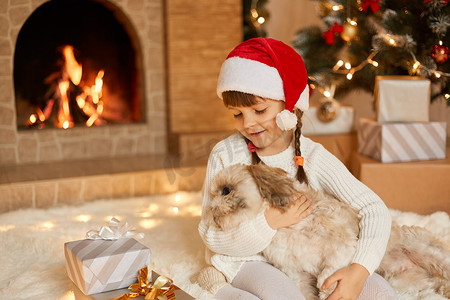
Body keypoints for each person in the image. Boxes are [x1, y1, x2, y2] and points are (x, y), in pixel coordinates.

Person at [197, 37, 397, 300]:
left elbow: (373, 209)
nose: (248, 123)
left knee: (381, 293)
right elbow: (210, 235)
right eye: (237, 114)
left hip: (305, 260)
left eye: (259, 110)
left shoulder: (312, 156)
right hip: (249, 259)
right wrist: (270, 223)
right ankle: (218, 287)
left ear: (288, 105)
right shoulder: (226, 154)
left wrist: (359, 271)